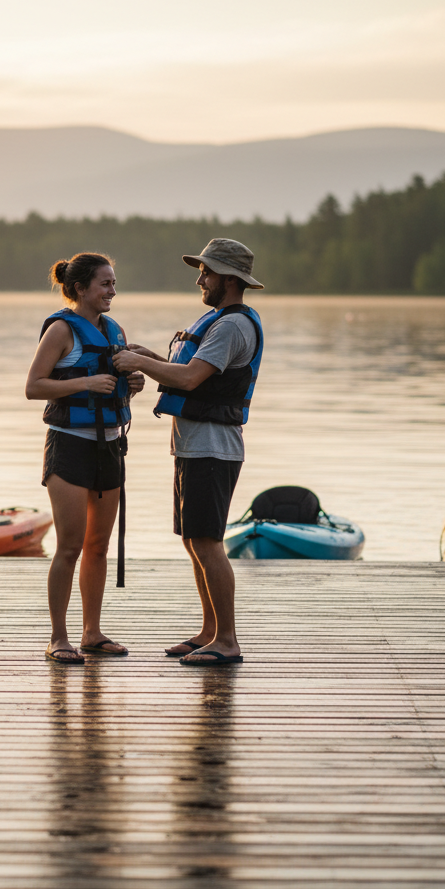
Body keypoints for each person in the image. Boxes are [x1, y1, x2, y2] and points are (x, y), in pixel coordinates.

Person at [113, 238, 264, 666]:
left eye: (208, 272)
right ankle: (208, 631)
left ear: (230, 280)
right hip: (194, 448)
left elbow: (193, 378)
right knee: (194, 542)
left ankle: (228, 640)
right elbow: (186, 372)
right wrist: (149, 356)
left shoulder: (233, 325)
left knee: (209, 543)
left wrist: (138, 364)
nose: (200, 278)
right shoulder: (218, 320)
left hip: (214, 450)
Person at [25, 253, 145, 664]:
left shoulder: (115, 330)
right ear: (80, 289)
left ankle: (91, 633)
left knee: (98, 546)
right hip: (69, 446)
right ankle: (58, 637)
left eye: (114, 283)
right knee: (69, 546)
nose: (112, 291)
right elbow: (34, 386)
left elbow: (117, 387)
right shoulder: (61, 330)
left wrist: (133, 384)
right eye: (105, 284)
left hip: (110, 445)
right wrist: (88, 380)